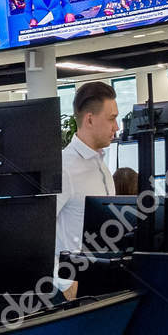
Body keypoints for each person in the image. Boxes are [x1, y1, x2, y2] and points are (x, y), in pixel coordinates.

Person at [56, 81, 119, 260]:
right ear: (90, 119)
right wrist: (64, 283)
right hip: (74, 278)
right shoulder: (64, 168)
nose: (117, 127)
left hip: (103, 272)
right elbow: (38, 234)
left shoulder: (100, 164)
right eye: (111, 118)